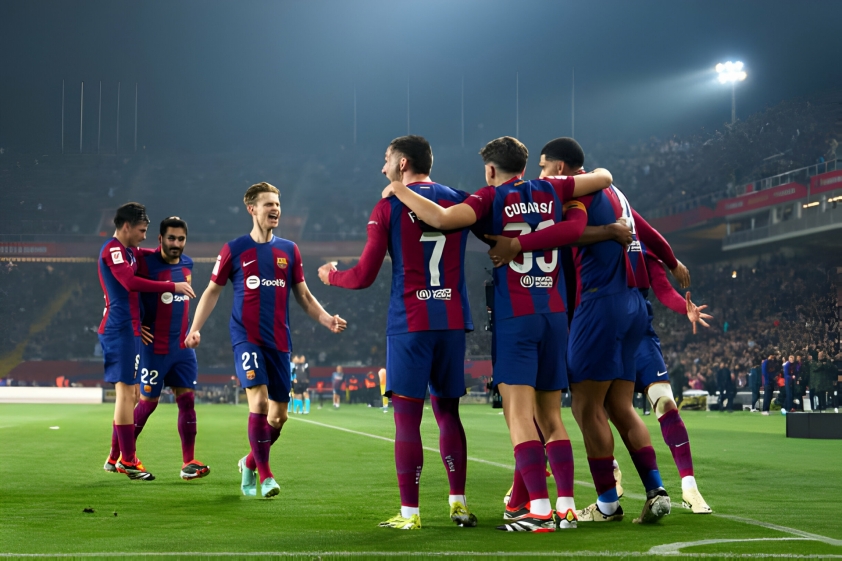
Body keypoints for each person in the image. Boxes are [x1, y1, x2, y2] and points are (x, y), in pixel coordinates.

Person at [382, 136, 612, 532]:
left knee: (519, 415)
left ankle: (538, 510)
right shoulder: (553, 188)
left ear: (490, 169)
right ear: (525, 165)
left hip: (516, 316)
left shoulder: (489, 198)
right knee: (551, 417)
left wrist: (398, 189)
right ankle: (566, 508)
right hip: (555, 313)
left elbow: (442, 219)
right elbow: (604, 178)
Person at [487, 137, 681, 525]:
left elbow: (569, 231)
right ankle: (655, 489)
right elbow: (646, 231)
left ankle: (607, 504)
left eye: (544, 165)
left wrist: (518, 244)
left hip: (599, 303)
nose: (540, 173)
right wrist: (673, 263)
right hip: (634, 303)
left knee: (584, 407)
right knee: (620, 406)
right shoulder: (615, 192)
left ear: (559, 168)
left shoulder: (570, 192)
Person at [318, 135, 479, 530]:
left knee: (407, 420)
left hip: (411, 323)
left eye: (387, 159)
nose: (382, 167)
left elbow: (363, 276)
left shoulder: (388, 206)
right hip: (452, 320)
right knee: (448, 414)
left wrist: (330, 276)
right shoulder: (461, 198)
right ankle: (458, 505)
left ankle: (410, 514)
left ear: (403, 163)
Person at [185, 182, 346, 498]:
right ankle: (267, 476)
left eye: (278, 204)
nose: (275, 209)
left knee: (279, 416)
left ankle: (249, 462)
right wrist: (195, 328)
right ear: (252, 209)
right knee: (258, 402)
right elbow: (212, 291)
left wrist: (326, 318)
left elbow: (303, 295)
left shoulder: (289, 250)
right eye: (269, 204)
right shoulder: (234, 249)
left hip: (279, 341)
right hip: (246, 337)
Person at [99, 203, 195, 481]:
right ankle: (127, 460)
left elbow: (155, 255)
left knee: (130, 395)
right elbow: (129, 283)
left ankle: (118, 458)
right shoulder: (113, 250)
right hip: (119, 328)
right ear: (126, 226)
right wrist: (171, 286)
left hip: (130, 328)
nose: (144, 236)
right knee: (126, 394)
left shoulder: (130, 252)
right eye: (141, 230)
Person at [131, 216, 210, 480]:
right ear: (160, 239)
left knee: (187, 401)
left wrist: (193, 331)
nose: (176, 243)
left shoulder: (188, 264)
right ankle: (119, 454)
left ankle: (189, 463)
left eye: (181, 239)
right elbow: (125, 287)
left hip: (182, 347)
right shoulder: (144, 261)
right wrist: (135, 323)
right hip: (154, 347)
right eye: (171, 238)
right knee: (148, 404)